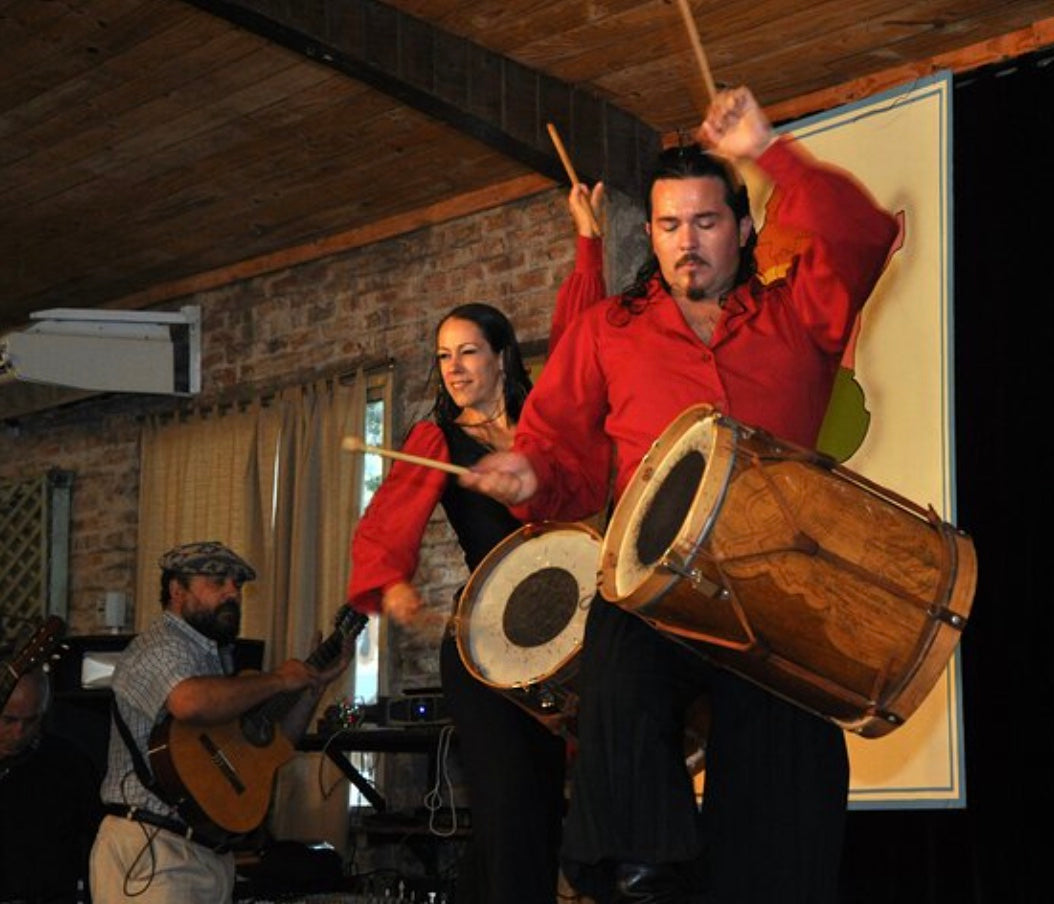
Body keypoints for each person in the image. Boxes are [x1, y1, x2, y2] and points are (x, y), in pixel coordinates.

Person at [460, 86, 899, 903]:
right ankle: (642, 873)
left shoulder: (799, 317)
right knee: (620, 677)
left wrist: (769, 151)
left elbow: (865, 233)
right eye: (668, 225)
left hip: (775, 584)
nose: (686, 243)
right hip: (656, 579)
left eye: (705, 222)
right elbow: (564, 456)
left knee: (789, 746)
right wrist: (529, 474)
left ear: (740, 225)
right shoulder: (608, 332)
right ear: (650, 234)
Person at [346, 283, 600, 901]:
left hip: (563, 640)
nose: (454, 369)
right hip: (484, 645)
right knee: (510, 809)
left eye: (468, 353)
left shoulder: (545, 428)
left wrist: (589, 244)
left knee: (537, 812)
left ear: (502, 357)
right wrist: (394, 585)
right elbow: (386, 522)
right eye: (443, 356)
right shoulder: (436, 439)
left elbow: (579, 342)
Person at [89, 541, 351, 904]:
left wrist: (311, 687)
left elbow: (273, 747)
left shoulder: (219, 661)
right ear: (176, 590)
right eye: (217, 582)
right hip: (152, 851)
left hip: (206, 854)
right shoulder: (157, 646)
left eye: (238, 585)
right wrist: (278, 680)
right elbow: (190, 702)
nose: (233, 592)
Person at [0, 664, 103, 903]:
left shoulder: (68, 763)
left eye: (31, 721)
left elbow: (95, 839)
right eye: (8, 720)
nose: (18, 732)